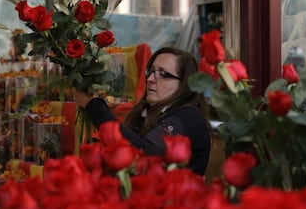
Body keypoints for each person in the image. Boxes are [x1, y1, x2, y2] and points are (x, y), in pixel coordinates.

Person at [73, 47, 211, 175]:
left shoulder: (188, 116)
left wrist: (93, 105)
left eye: (163, 74)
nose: (150, 79)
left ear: (185, 84)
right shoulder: (149, 114)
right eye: (150, 71)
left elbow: (144, 154)